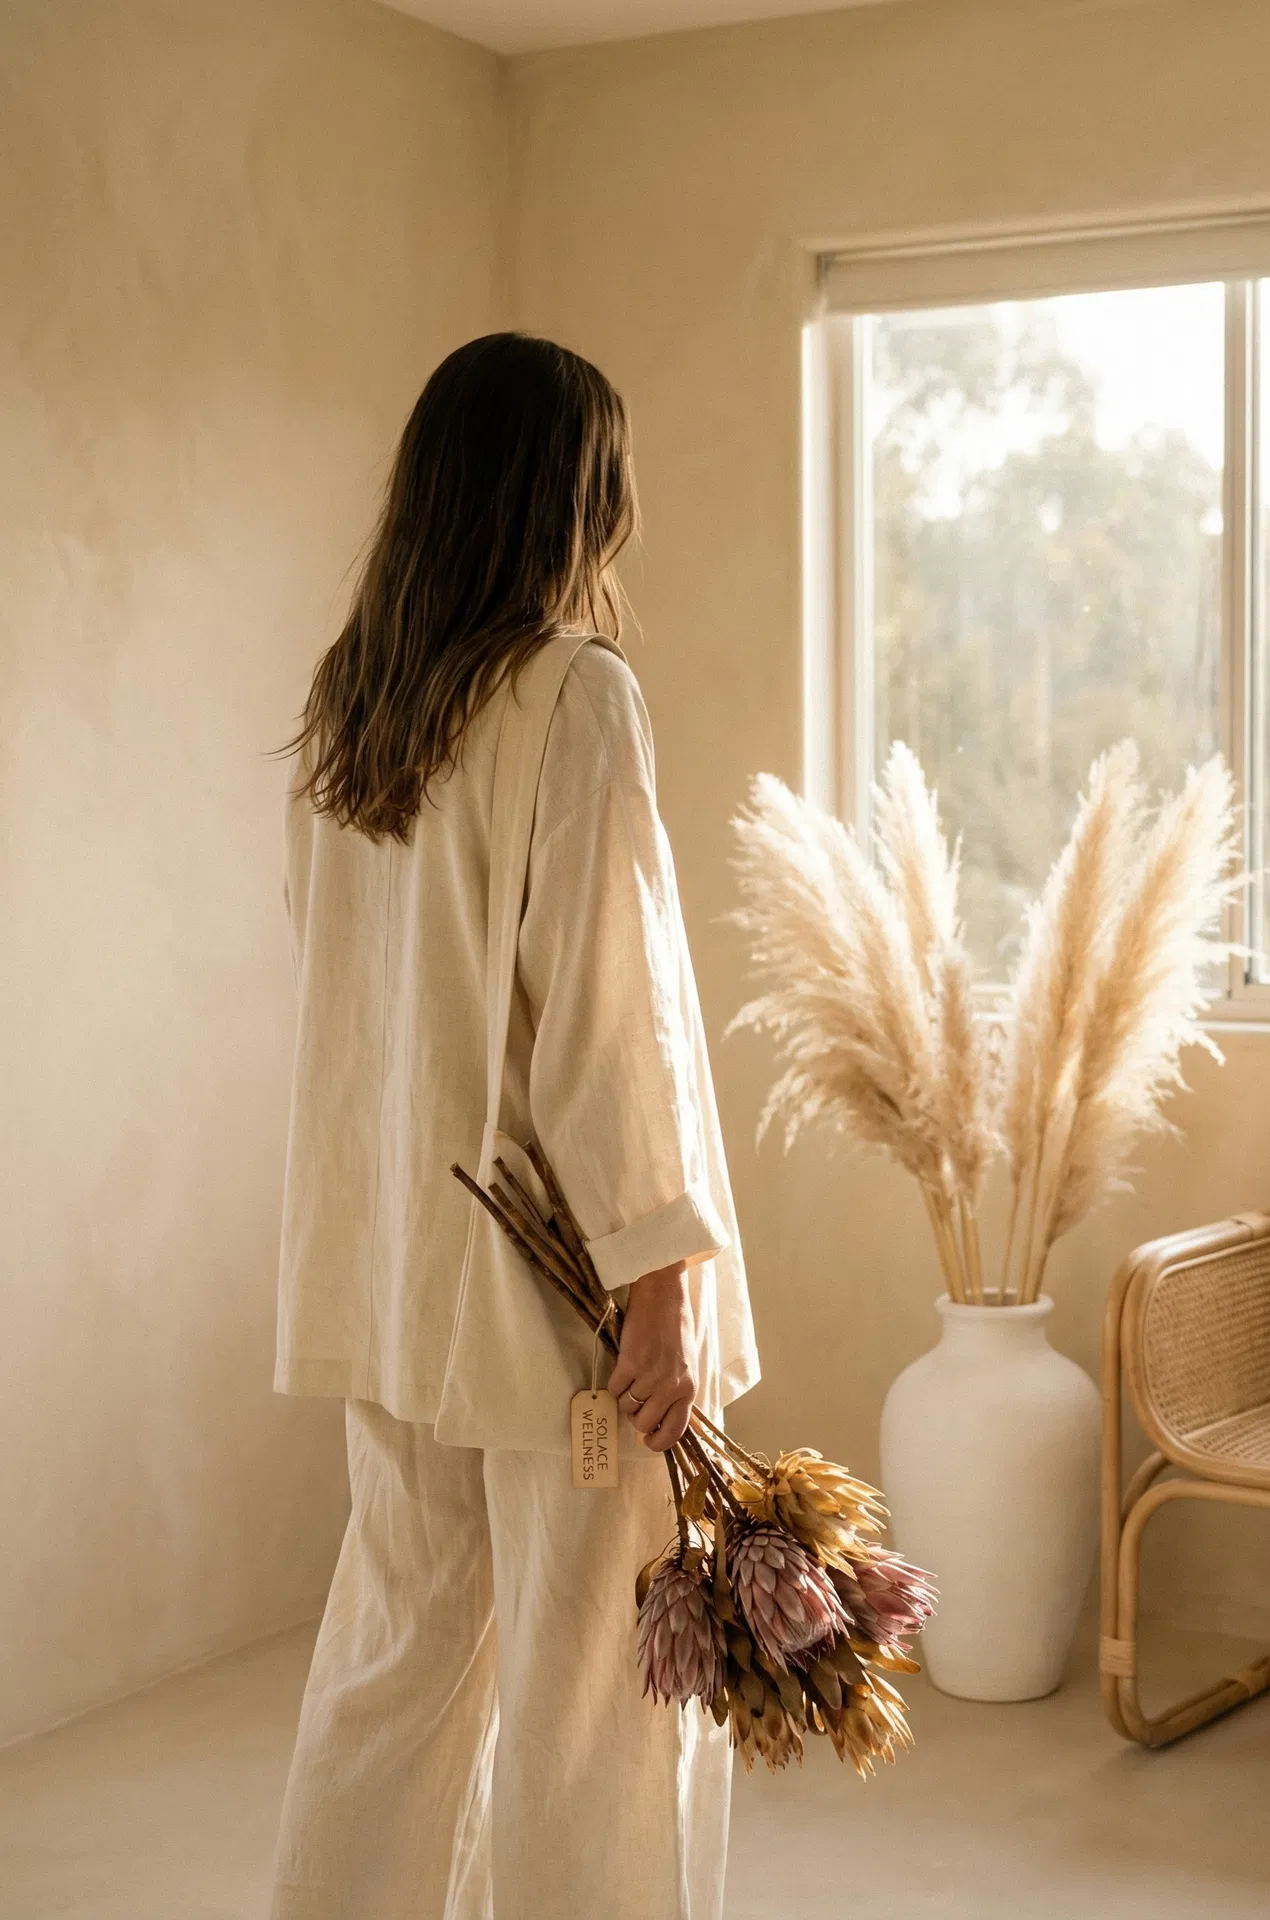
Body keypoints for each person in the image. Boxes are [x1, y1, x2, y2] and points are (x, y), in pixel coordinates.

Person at [268, 333, 759, 1920]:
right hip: (556, 1301)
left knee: (391, 1665)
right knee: (592, 1707)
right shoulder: (575, 693)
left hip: (395, 1276)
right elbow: (616, 1020)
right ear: (574, 492)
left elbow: (353, 1001)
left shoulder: (356, 703)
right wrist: (663, 1273)